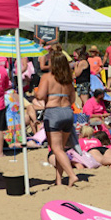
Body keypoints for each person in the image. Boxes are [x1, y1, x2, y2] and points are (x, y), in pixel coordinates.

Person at [35, 48, 77, 187]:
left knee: (56, 149)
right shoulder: (68, 79)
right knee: (61, 150)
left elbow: (40, 96)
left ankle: (71, 175)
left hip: (53, 113)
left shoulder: (47, 77)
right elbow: (72, 99)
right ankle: (58, 180)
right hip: (67, 112)